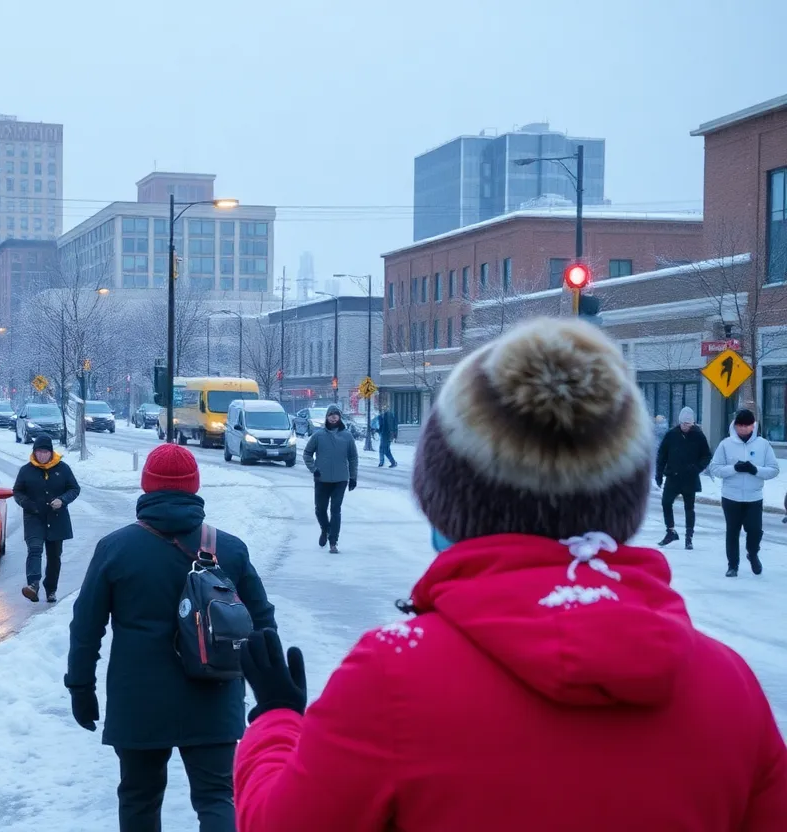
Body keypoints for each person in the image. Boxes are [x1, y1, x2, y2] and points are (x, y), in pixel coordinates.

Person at [231, 319, 787, 832]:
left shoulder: (391, 678)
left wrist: (277, 724)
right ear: (624, 501)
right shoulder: (729, 687)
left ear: (448, 505)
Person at [66, 443, 276, 832]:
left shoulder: (116, 548)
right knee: (217, 797)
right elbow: (262, 623)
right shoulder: (228, 548)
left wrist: (81, 686)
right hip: (215, 693)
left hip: (139, 698)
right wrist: (271, 691)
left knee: (139, 798)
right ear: (194, 487)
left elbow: (86, 626)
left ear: (147, 486)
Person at [710, 408, 779, 577]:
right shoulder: (726, 444)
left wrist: (755, 470)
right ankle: (733, 565)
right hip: (731, 496)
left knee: (755, 530)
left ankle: (753, 553)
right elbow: (715, 468)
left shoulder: (763, 444)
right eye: (740, 425)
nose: (743, 429)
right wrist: (734, 468)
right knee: (732, 531)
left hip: (754, 496)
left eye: (747, 425)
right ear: (735, 425)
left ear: (753, 426)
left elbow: (774, 469)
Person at [13, 435, 80, 602]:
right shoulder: (26, 470)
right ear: (34, 452)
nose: (42, 455)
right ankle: (33, 585)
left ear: (51, 452)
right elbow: (17, 491)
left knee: (54, 556)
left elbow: (74, 488)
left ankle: (51, 589)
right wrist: (27, 503)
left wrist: (62, 500)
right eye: (38, 452)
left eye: (45, 452)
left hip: (57, 518)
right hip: (34, 517)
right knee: (34, 549)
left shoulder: (63, 469)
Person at [302, 403, 357, 553]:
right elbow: (307, 454)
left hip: (340, 479)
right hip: (322, 479)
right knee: (320, 509)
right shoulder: (318, 435)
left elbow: (353, 458)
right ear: (327, 417)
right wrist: (314, 469)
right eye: (331, 414)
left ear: (339, 417)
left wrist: (353, 477)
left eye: (336, 414)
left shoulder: (347, 436)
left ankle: (333, 542)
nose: (333, 417)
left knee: (335, 509)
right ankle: (325, 529)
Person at [655, 406, 711, 549]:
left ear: (693, 423)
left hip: (690, 478)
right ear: (679, 422)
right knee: (666, 503)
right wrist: (659, 475)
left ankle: (689, 537)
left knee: (689, 508)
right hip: (673, 476)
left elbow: (706, 455)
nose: (686, 426)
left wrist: (697, 468)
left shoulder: (699, 436)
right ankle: (670, 531)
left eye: (689, 423)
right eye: (683, 423)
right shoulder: (671, 435)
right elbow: (662, 455)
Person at [372, 404, 398, 468]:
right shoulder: (381, 417)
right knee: (382, 449)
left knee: (385, 450)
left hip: (387, 435)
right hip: (383, 435)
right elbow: (382, 427)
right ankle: (381, 462)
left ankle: (393, 462)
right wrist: (377, 430)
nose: (382, 410)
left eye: (384, 409)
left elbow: (393, 426)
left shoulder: (389, 416)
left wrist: (393, 435)